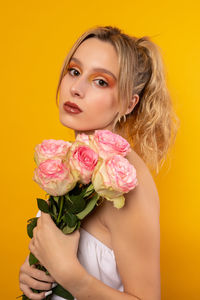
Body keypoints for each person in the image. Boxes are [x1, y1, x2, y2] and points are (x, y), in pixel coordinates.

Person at [19, 26, 178, 300]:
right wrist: (37, 274)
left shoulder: (127, 181)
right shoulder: (74, 162)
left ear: (129, 104)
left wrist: (71, 276)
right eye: (75, 71)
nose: (76, 89)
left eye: (101, 81)